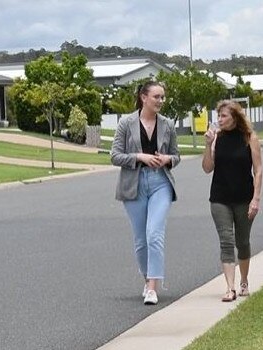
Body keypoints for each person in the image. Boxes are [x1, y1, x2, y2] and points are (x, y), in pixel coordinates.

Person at [111, 81, 180, 305]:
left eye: (163, 97)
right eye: (157, 97)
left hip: (160, 182)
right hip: (134, 183)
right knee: (141, 240)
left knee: (154, 234)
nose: (161, 101)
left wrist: (167, 159)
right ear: (144, 97)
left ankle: (152, 287)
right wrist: (139, 157)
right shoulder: (126, 123)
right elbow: (115, 156)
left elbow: (176, 155)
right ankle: (146, 278)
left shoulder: (168, 124)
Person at [202, 100, 263, 302]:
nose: (219, 120)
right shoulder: (217, 139)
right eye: (218, 116)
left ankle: (243, 281)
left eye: (224, 116)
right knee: (226, 242)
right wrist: (208, 145)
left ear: (235, 117)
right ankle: (230, 287)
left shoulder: (249, 137)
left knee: (242, 242)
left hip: (244, 198)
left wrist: (256, 198)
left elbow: (258, 170)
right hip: (220, 198)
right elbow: (207, 168)